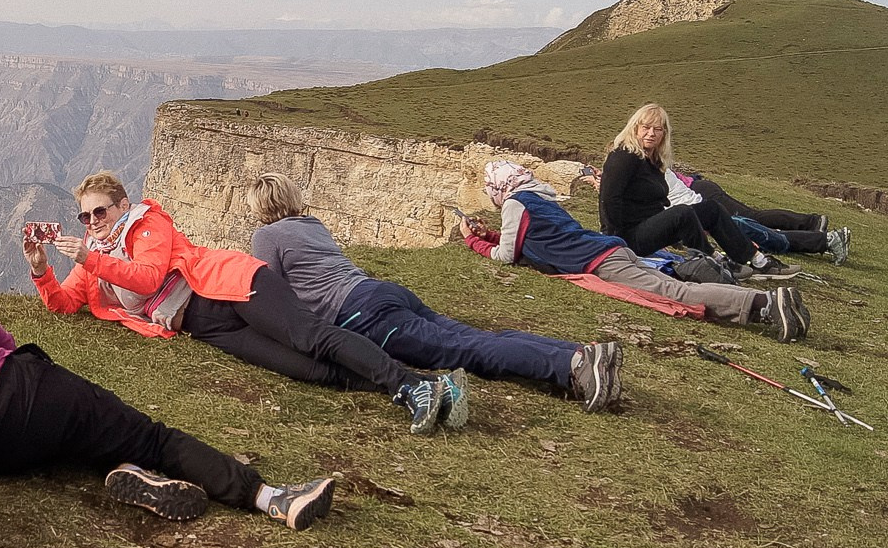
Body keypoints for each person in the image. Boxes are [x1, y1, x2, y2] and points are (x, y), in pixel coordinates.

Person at [0, 203, 337, 528]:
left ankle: (127, 471)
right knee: (146, 434)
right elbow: (2, 341)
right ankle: (269, 497)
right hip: (15, 389)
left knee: (72, 442)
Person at [27, 172, 462, 436]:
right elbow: (65, 304)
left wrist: (91, 258)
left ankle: (408, 385)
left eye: (99, 212)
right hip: (204, 323)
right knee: (301, 367)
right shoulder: (93, 253)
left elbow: (149, 276)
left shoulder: (146, 225)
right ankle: (417, 385)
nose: (92, 222)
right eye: (85, 216)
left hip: (229, 285)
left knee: (308, 337)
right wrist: (41, 269)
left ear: (122, 205)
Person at [243, 173, 623, 414]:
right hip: (381, 293)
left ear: (259, 207)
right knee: (473, 337)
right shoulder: (311, 224)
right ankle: (577, 353)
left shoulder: (266, 236)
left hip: (362, 315)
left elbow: (273, 295)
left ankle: (570, 368)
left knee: (464, 351)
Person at [466, 161, 810, 342]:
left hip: (601, 261)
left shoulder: (514, 203)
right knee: (674, 286)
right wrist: (493, 234)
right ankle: (764, 304)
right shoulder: (537, 197)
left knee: (674, 292)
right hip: (612, 250)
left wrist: (474, 242)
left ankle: (764, 305)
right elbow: (531, 237)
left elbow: (507, 256)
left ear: (500, 187)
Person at [598, 105, 787, 275]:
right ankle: (712, 261)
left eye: (657, 129)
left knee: (711, 209)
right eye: (646, 128)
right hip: (627, 236)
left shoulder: (652, 160)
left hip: (649, 225)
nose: (651, 133)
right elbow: (608, 199)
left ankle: (755, 260)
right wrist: (616, 241)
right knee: (682, 213)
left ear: (664, 134)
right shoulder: (624, 156)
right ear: (635, 128)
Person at [676, 171, 851, 263]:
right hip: (700, 190)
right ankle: (820, 234)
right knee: (754, 223)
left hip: (700, 193)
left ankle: (813, 224)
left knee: (751, 220)